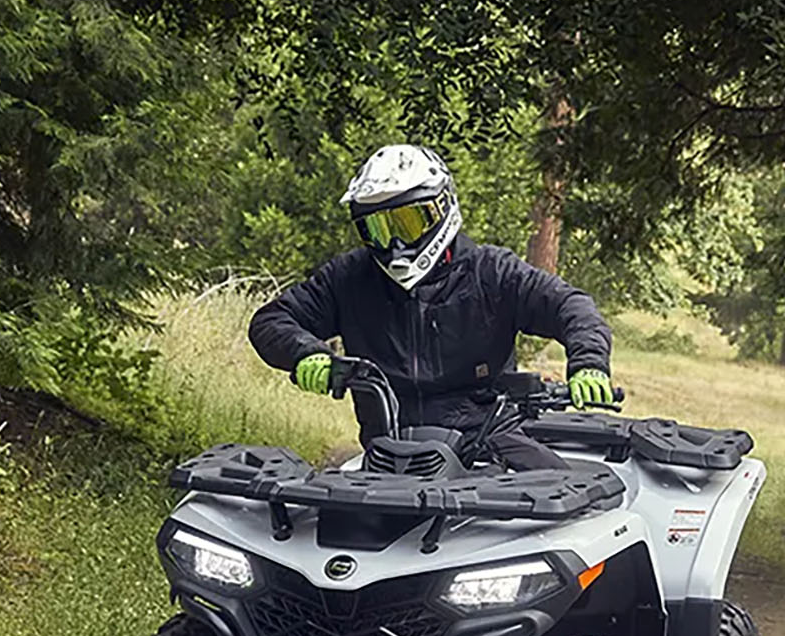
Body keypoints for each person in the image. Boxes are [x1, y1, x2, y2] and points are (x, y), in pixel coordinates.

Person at [248, 144, 614, 471]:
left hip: (489, 447)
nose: (393, 243)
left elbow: (572, 306)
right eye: (376, 228)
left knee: (575, 505)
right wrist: (306, 354)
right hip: (388, 454)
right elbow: (271, 320)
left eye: (407, 223)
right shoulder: (350, 278)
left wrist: (589, 365)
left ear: (442, 209)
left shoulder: (492, 272)